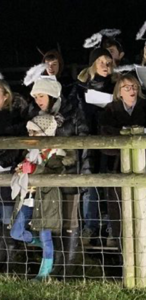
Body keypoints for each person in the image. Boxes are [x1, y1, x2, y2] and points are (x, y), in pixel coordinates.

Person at [25, 77, 87, 276]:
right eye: (35, 97)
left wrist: (84, 171)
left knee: (69, 220)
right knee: (52, 221)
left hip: (69, 173)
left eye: (41, 96)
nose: (37, 100)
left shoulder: (72, 112)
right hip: (45, 174)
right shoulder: (35, 114)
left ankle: (67, 268)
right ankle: (54, 267)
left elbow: (84, 140)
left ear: (52, 95)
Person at [10, 114, 76, 281]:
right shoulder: (30, 152)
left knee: (46, 236)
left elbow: (52, 172)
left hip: (46, 198)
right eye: (29, 133)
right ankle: (42, 246)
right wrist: (21, 169)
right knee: (16, 232)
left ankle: (43, 274)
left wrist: (32, 169)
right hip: (29, 196)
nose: (31, 136)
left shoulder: (57, 154)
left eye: (34, 133)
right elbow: (26, 169)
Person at [98, 73, 146, 247]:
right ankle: (121, 246)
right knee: (119, 209)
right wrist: (126, 137)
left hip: (145, 166)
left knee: (145, 207)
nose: (131, 90)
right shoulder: (109, 111)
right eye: (127, 87)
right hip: (117, 167)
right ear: (119, 92)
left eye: (134, 87)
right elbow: (104, 138)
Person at [68, 48, 115, 245]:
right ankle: (90, 226)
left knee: (112, 184)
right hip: (87, 140)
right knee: (90, 184)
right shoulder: (79, 88)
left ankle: (113, 227)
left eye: (109, 62)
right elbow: (74, 112)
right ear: (93, 63)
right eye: (101, 61)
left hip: (110, 140)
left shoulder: (115, 85)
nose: (106, 65)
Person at [0, 79, 27, 270]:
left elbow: (16, 144)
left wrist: (3, 162)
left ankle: (9, 264)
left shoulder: (14, 117)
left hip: (6, 173)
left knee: (6, 218)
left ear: (6, 95)